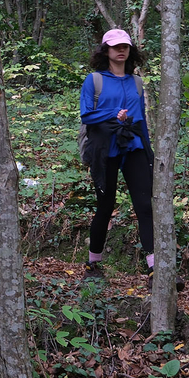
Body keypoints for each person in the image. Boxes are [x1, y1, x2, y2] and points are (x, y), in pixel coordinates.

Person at [80, 28, 156, 281]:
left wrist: (149, 152)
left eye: (125, 46)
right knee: (105, 206)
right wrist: (113, 114)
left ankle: (155, 268)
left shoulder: (136, 82)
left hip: (133, 147)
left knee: (145, 206)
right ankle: (94, 264)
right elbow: (86, 115)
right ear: (106, 51)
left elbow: (142, 120)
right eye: (115, 47)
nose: (121, 50)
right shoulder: (94, 80)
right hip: (105, 149)